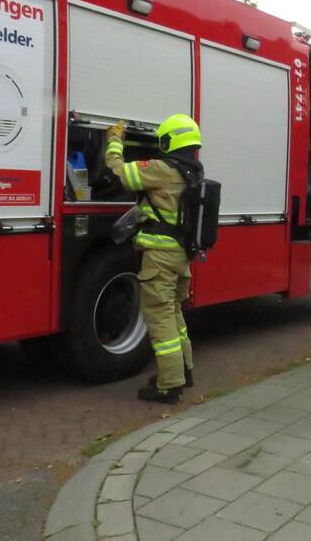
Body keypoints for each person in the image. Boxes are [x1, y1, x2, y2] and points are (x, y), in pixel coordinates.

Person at [106, 114, 202, 404]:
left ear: (170, 139)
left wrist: (114, 141)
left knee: (160, 320)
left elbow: (121, 173)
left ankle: (169, 386)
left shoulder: (161, 169)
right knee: (174, 315)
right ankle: (185, 371)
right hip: (180, 256)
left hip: (159, 257)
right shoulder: (192, 172)